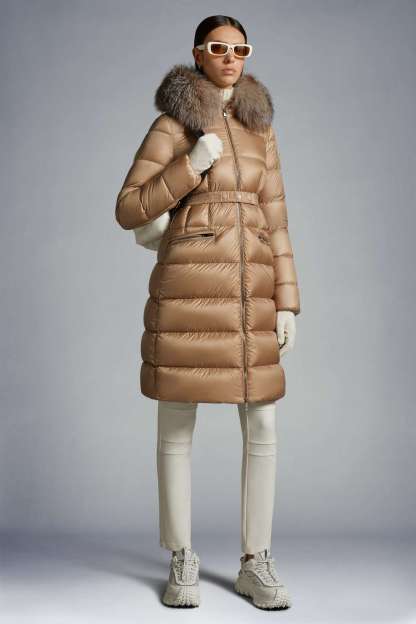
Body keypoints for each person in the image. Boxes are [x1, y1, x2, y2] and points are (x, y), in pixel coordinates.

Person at [115, 14, 301, 610]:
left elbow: (276, 220)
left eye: (240, 49)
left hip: (254, 296)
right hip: (189, 292)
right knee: (176, 426)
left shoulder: (261, 128)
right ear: (198, 53)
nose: (230, 57)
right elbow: (129, 207)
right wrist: (190, 164)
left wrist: (288, 301)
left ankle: (255, 561)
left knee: (263, 426)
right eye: (218, 47)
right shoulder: (173, 124)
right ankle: (181, 558)